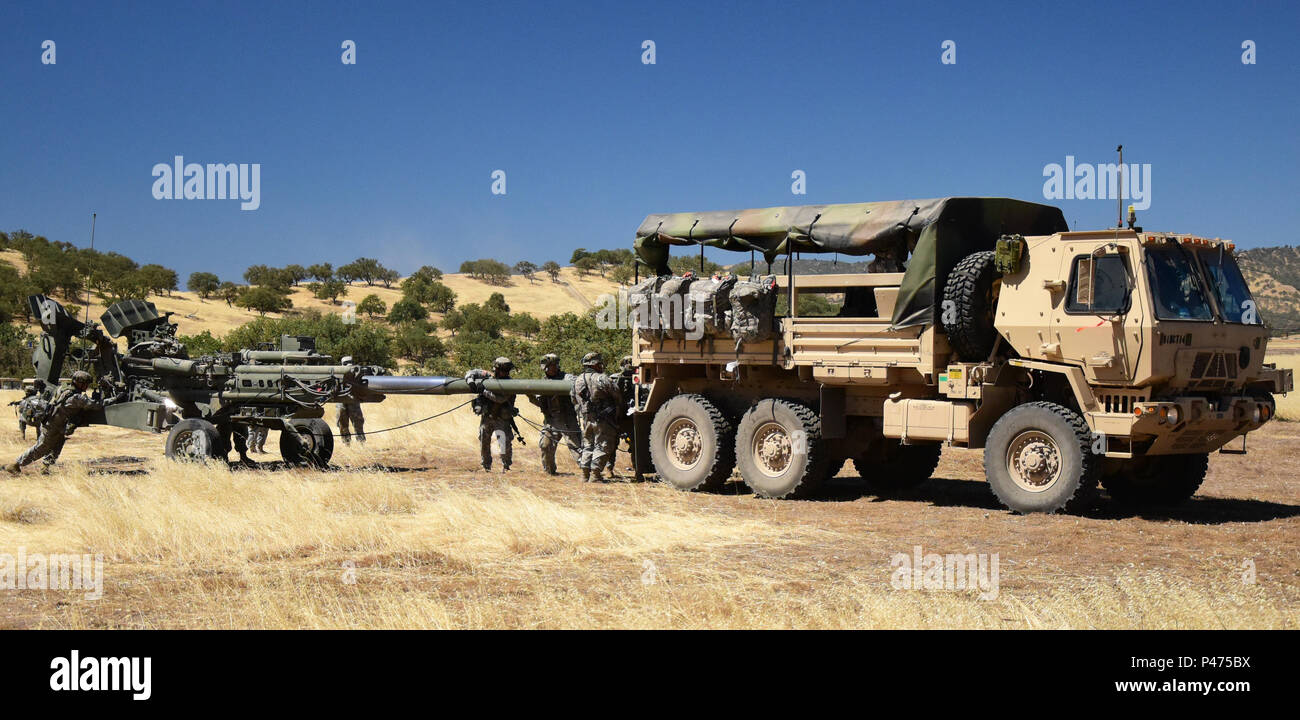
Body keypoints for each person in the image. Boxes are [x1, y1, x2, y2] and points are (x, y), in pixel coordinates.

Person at [6, 371, 123, 475]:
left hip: (55, 423)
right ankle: (16, 464)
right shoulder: (76, 398)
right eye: (85, 384)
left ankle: (45, 467)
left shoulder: (63, 388)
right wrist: (115, 398)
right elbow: (96, 405)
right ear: (79, 383)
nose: (87, 386)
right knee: (41, 448)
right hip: (53, 425)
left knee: (58, 444)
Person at [570, 352, 623, 483]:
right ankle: (595, 475)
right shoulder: (602, 379)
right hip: (603, 420)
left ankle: (584, 474)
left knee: (588, 445)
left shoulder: (576, 380)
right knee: (603, 445)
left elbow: (573, 399)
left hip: (587, 418)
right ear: (596, 364)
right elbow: (617, 395)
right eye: (600, 363)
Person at [527, 353, 580, 475]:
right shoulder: (543, 382)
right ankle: (549, 472)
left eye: (549, 366)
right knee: (545, 445)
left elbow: (577, 385)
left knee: (576, 447)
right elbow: (540, 403)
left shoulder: (567, 378)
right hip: (551, 420)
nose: (547, 369)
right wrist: (530, 395)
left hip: (567, 419)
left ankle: (588, 471)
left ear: (555, 365)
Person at [470, 357, 518, 472]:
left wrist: (484, 391)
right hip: (487, 416)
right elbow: (471, 372)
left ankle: (506, 466)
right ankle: (486, 465)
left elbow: (500, 399)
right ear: (496, 369)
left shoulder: (510, 384)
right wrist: (471, 381)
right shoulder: (488, 377)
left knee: (504, 442)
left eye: (506, 370)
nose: (504, 373)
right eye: (502, 370)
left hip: (501, 418)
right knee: (484, 440)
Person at [604, 356, 635, 477]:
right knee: (611, 444)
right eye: (626, 363)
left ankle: (637, 469)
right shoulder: (613, 378)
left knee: (635, 444)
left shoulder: (641, 378)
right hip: (617, 416)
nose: (629, 366)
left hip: (631, 418)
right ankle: (609, 469)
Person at [335, 356, 366, 444]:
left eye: (350, 362)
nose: (349, 364)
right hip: (341, 401)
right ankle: (346, 443)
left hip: (353, 400)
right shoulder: (338, 372)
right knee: (342, 423)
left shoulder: (357, 372)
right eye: (345, 363)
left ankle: (361, 442)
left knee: (358, 423)